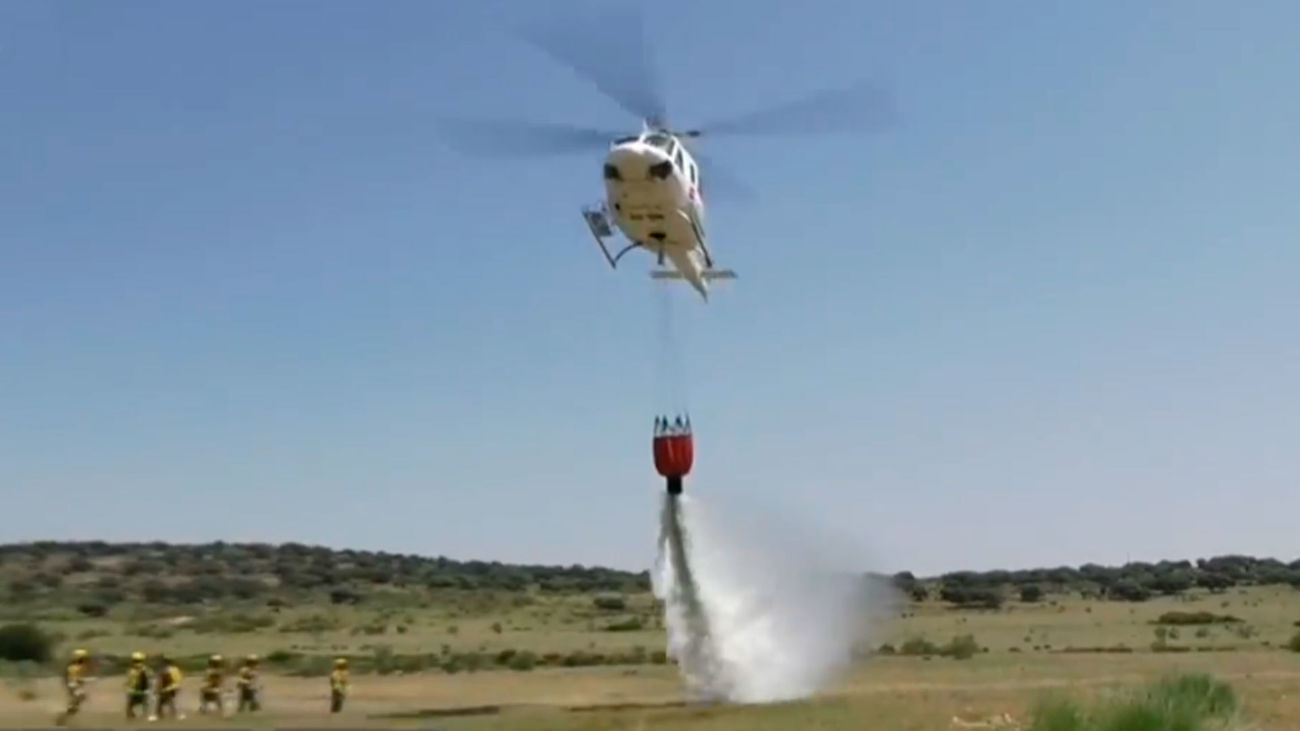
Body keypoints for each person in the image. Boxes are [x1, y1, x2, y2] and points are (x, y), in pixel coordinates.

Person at [54, 648, 89, 725]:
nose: (86, 660)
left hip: (73, 686)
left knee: (78, 701)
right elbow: (75, 679)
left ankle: (66, 714)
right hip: (73, 686)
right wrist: (82, 681)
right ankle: (64, 715)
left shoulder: (76, 667)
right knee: (81, 697)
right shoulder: (75, 667)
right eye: (84, 658)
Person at [151, 654, 183, 721]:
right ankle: (172, 712)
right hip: (175, 687)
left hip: (168, 688)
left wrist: (158, 690)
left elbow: (162, 682)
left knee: (161, 699)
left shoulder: (163, 670)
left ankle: (159, 714)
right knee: (166, 699)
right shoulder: (175, 669)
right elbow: (179, 680)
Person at [124, 652, 151, 720]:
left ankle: (131, 717)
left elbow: (129, 681)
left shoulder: (131, 670)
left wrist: (126, 686)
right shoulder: (145, 669)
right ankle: (144, 717)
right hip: (144, 690)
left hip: (133, 690)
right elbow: (150, 678)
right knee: (145, 705)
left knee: (130, 705)